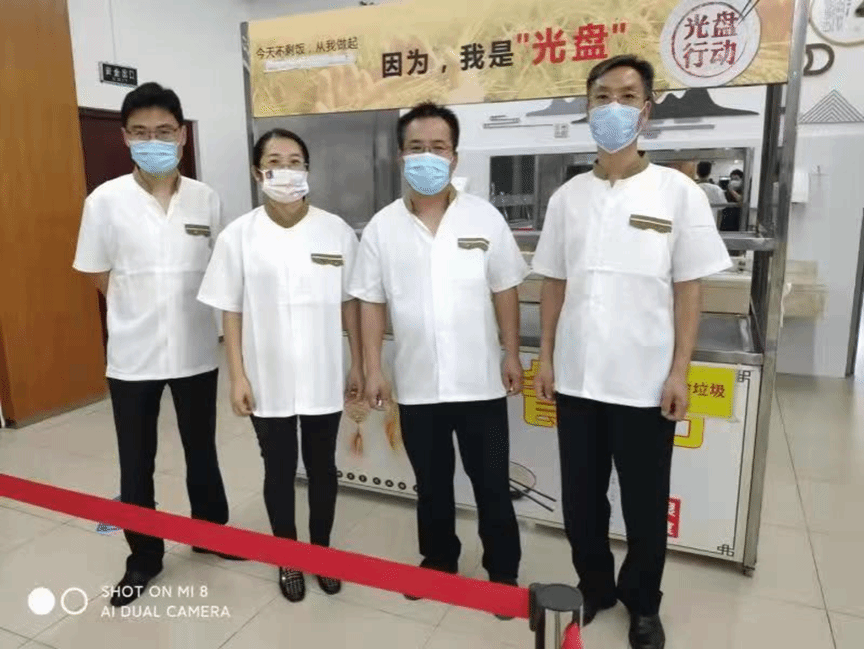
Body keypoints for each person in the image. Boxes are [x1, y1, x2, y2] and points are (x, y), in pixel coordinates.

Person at [532, 56, 731, 649]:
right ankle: (594, 587)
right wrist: (546, 357)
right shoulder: (568, 197)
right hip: (577, 380)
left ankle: (643, 603)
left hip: (645, 383)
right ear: (587, 107)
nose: (613, 107)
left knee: (645, 506)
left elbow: (689, 288)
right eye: (602, 96)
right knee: (581, 503)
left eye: (626, 96)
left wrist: (680, 371)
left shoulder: (677, 192)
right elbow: (553, 283)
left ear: (646, 111)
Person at [349, 102, 527, 617]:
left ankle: (503, 575)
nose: (427, 156)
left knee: (491, 483)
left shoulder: (484, 217)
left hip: (480, 383)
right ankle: (439, 561)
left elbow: (505, 288)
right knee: (431, 484)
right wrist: (374, 368)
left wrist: (512, 353)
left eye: (438, 147)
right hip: (417, 384)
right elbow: (370, 302)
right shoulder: (382, 227)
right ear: (400, 155)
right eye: (417, 147)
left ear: (454, 156)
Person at [72, 82, 241, 608]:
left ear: (182, 136)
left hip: (196, 350)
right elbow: (97, 272)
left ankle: (210, 532)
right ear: (125, 138)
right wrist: (137, 306)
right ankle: (143, 557)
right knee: (136, 461)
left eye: (164, 132)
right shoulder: (105, 201)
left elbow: (219, 268)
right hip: (133, 357)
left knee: (201, 450)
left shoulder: (206, 199)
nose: (154, 142)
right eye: (141, 133)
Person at [197, 129, 363, 603]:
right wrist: (237, 375)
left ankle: (321, 553)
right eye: (274, 161)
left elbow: (350, 303)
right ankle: (287, 555)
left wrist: (358, 363)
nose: (285, 171)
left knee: (323, 468)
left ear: (307, 170)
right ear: (258, 172)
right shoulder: (238, 235)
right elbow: (230, 310)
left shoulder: (335, 230)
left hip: (323, 372)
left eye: (295, 161)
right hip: (265, 375)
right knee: (279, 469)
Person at [696, 161, 726, 226]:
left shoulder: (690, 188)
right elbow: (721, 210)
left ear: (697, 172)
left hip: (694, 225)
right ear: (710, 173)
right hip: (711, 225)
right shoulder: (717, 189)